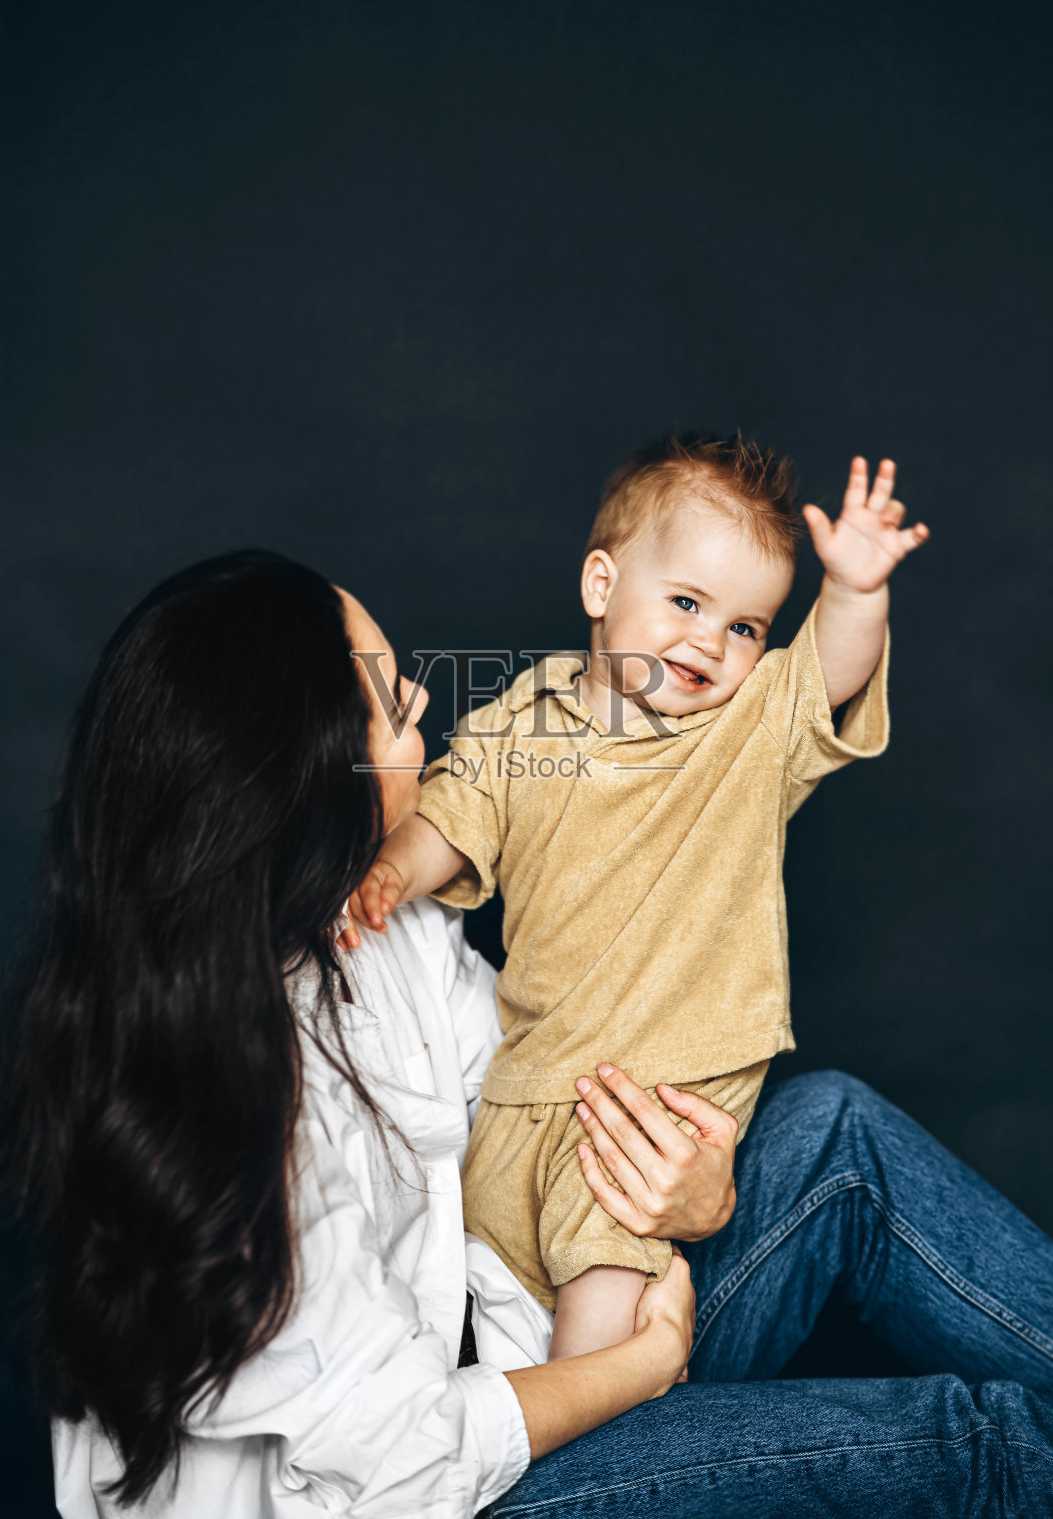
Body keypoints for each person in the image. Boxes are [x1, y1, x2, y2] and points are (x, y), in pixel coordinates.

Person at [0, 550, 1053, 1519]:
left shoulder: (380, 934)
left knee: (833, 1133)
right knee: (971, 1442)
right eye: (387, 700)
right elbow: (403, 1464)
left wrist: (691, 1184)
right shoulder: (221, 1098)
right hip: (425, 1497)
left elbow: (549, 1087)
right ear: (305, 770)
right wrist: (639, 1366)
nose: (420, 708)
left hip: (521, 1367)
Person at [346, 433, 929, 1357]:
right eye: (687, 602)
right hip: (520, 1093)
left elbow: (832, 666)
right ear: (601, 587)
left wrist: (855, 590)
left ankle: (595, 1444)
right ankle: (551, 1477)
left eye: (744, 627)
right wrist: (386, 873)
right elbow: (452, 817)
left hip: (653, 1105)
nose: (710, 640)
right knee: (494, 1311)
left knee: (602, 1293)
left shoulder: (746, 729)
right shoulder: (522, 720)